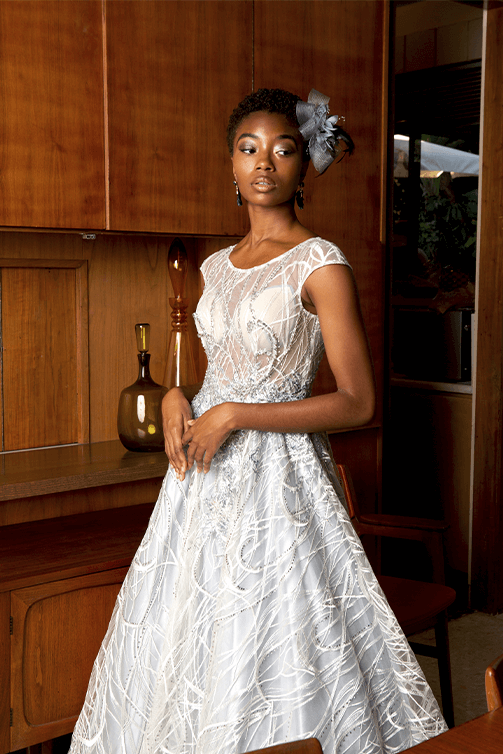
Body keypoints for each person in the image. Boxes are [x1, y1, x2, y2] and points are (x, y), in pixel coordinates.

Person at [69, 88, 447, 754]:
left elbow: (358, 403)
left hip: (282, 485)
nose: (263, 163)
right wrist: (174, 396)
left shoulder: (320, 264)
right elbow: (222, 368)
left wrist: (236, 414)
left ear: (305, 168)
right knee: (193, 631)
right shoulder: (215, 266)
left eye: (283, 148)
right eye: (248, 149)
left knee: (276, 632)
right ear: (230, 168)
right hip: (202, 483)